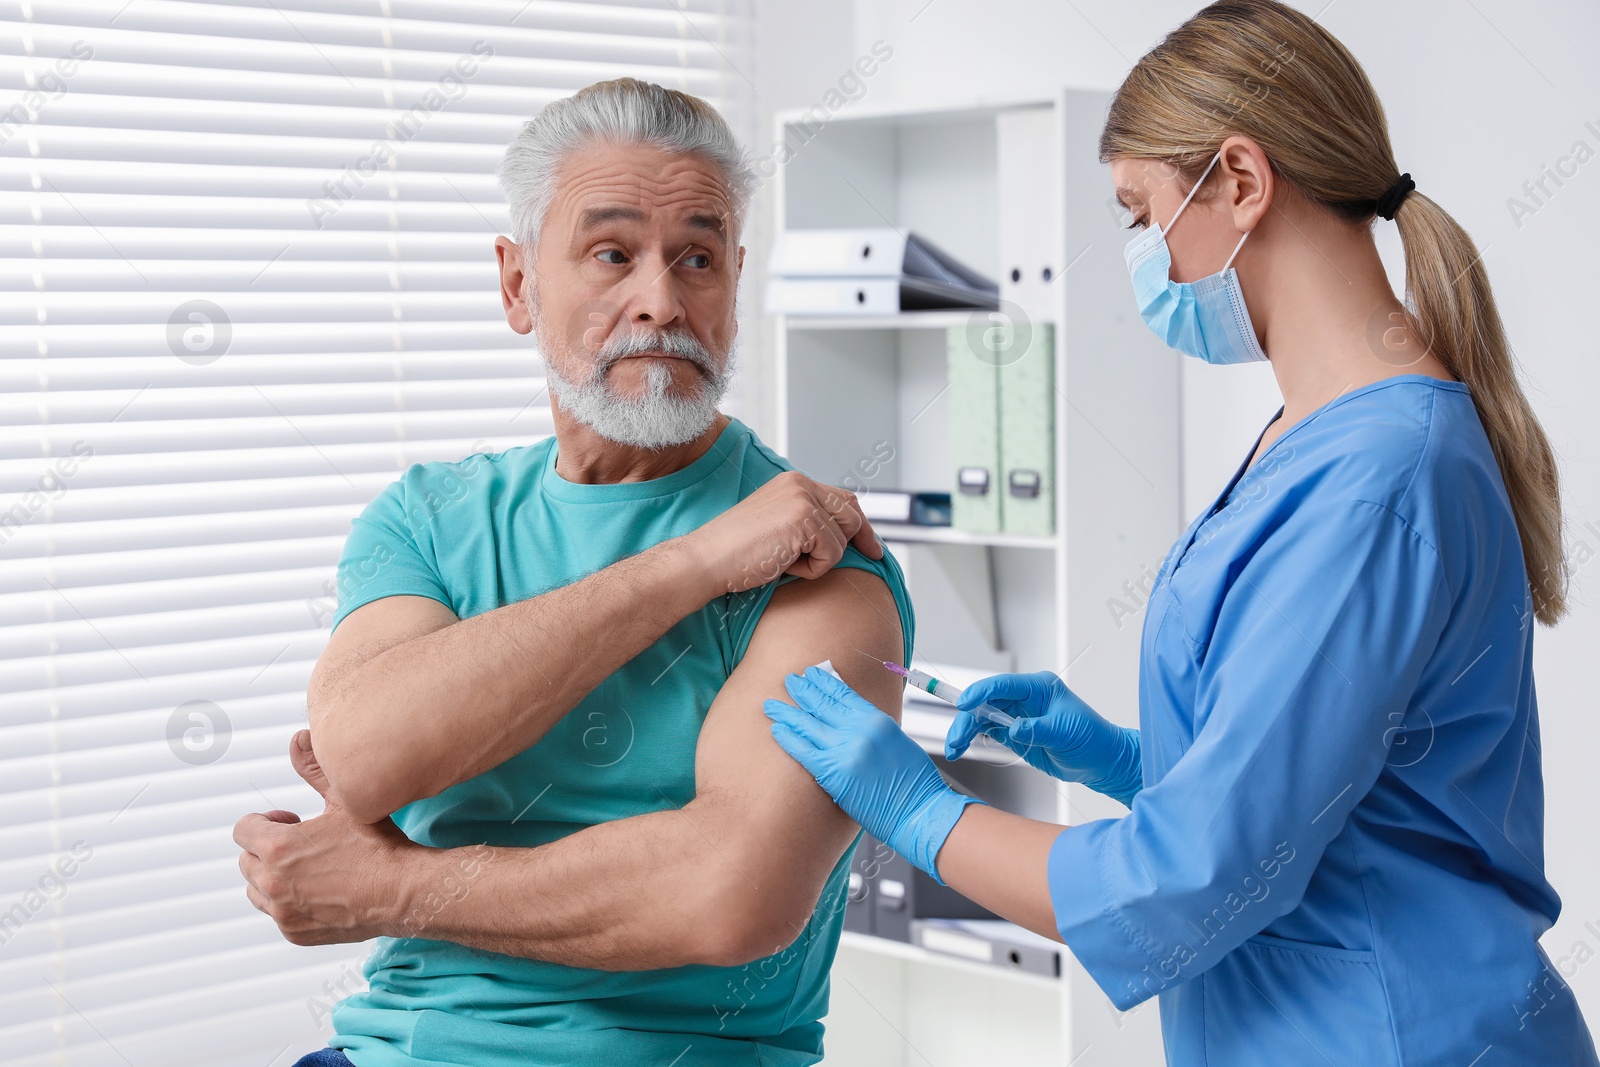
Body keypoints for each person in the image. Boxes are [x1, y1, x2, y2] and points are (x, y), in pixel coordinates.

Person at [762, 2, 1598, 1064]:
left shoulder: (1379, 474)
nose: (1137, 251)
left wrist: (916, 806)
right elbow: (1329, 770)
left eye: (1136, 211)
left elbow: (1189, 881)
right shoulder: (1319, 432)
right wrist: (1124, 757)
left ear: (1240, 182)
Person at [234, 78, 914, 1067]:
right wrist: (689, 564)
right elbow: (367, 754)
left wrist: (388, 888)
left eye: (698, 258)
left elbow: (727, 894)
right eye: (611, 253)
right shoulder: (429, 517)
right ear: (517, 285)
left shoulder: (819, 562)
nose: (661, 300)